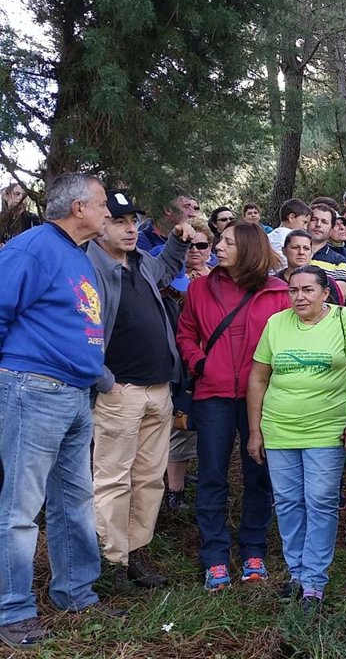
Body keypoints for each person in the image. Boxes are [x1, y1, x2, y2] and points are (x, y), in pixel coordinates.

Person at [0, 173, 112, 648]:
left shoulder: (77, 254)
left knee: (74, 501)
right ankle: (12, 610)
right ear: (78, 208)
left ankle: (75, 591)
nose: (108, 212)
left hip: (74, 394)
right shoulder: (32, 248)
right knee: (20, 509)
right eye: (103, 203)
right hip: (33, 390)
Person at [176, 223, 291, 591]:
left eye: (226, 242)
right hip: (214, 395)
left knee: (259, 474)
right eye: (218, 242)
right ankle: (215, 555)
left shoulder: (278, 293)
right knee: (212, 475)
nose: (217, 248)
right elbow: (186, 333)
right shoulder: (200, 288)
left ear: (248, 249)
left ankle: (253, 549)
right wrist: (200, 363)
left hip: (262, 397)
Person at [88, 191, 190, 593]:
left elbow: (166, 268)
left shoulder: (140, 262)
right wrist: (104, 382)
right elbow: (80, 330)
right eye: (118, 221)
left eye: (133, 220)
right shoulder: (88, 268)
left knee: (149, 478)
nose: (130, 228)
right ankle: (112, 560)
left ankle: (135, 551)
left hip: (158, 389)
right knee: (113, 478)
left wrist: (179, 243)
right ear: (100, 227)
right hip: (119, 391)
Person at [246, 266, 346, 614]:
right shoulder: (276, 324)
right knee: (287, 503)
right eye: (293, 290)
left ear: (326, 293)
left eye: (308, 290)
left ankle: (314, 582)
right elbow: (258, 378)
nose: (300, 297)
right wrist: (255, 430)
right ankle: (296, 574)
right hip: (279, 428)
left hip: (327, 428)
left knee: (320, 502)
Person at [164, 216, 214, 512]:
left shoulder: (221, 277)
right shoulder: (168, 277)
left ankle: (209, 489)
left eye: (202, 245)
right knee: (179, 427)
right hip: (177, 362)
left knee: (211, 431)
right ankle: (175, 492)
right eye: (189, 245)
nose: (195, 250)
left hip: (211, 363)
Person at [307, 203, 346, 304]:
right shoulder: (293, 252)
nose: (318, 224)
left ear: (331, 229)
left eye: (324, 222)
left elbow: (338, 300)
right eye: (314, 219)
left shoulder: (339, 261)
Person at [277, 230, 342, 301]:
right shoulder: (274, 283)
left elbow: (338, 310)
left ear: (311, 252)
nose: (301, 252)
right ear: (284, 251)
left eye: (306, 248)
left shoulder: (326, 282)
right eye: (295, 247)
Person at [0, 181, 42, 246]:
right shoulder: (1, 218)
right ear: (6, 196)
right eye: (17, 194)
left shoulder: (32, 219)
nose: (21, 198)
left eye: (24, 195)